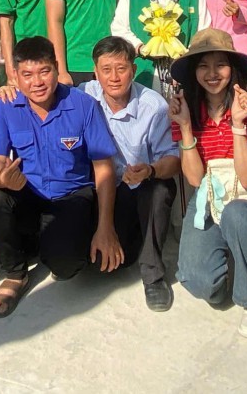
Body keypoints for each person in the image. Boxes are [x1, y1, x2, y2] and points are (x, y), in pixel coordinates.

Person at [0, 37, 122, 317]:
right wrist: (2, 178)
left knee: (66, 267)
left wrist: (106, 227)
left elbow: (104, 167)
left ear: (56, 68)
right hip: (26, 192)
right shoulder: (6, 105)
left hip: (71, 195)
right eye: (27, 74)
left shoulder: (83, 105)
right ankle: (15, 273)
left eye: (44, 71)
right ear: (15, 75)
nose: (37, 82)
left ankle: (50, 242)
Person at [168, 29, 247, 339]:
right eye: (203, 65)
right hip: (210, 191)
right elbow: (194, 179)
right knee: (197, 281)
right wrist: (185, 126)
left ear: (233, 69)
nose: (212, 73)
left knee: (237, 215)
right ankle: (233, 260)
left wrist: (238, 125)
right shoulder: (186, 109)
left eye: (221, 64)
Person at [80, 37, 180, 311]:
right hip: (101, 190)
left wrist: (150, 170)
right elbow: (43, 92)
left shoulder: (154, 106)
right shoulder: (84, 95)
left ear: (133, 70)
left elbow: (173, 160)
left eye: (121, 69)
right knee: (100, 265)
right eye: (106, 69)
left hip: (137, 189)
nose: (114, 77)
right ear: (95, 72)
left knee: (160, 189)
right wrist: (10, 87)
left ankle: (153, 275)